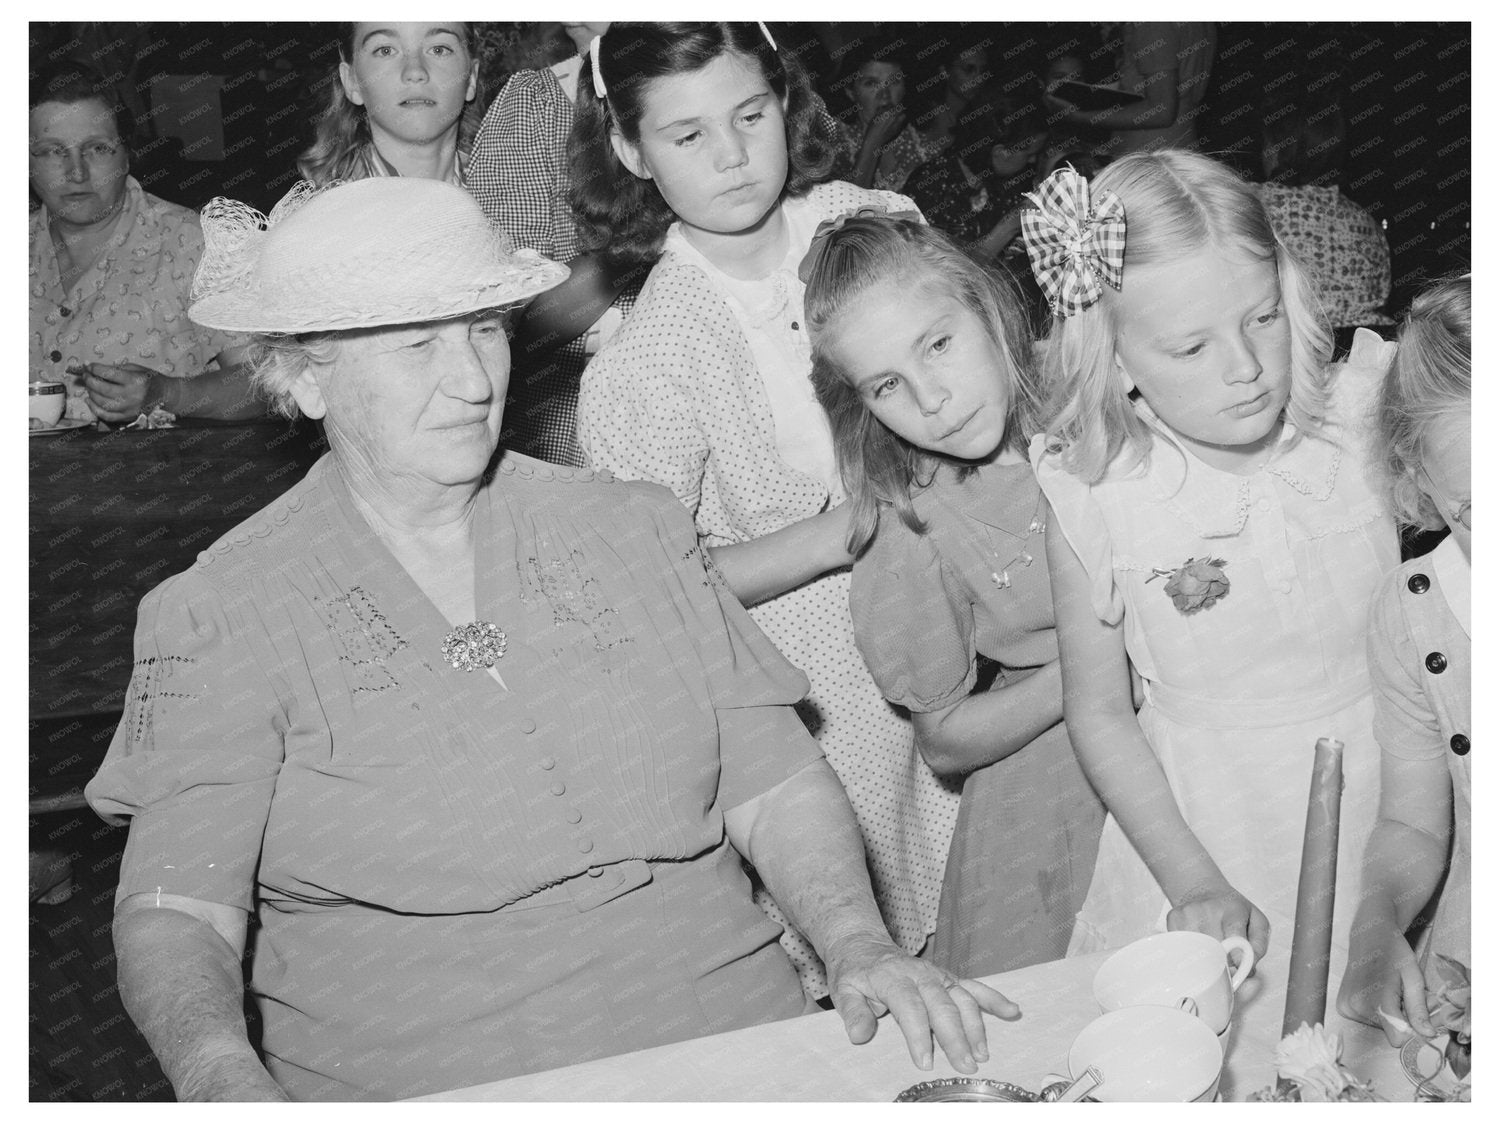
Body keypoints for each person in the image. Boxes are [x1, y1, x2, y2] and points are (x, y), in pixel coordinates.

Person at [84, 177, 1018, 1102]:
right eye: (419, 347)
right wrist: (220, 1078)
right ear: (303, 376)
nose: (473, 380)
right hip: (430, 1083)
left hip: (731, 1048)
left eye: (485, 329)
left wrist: (858, 941)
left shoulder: (634, 529)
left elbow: (773, 784)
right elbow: (180, 910)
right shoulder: (222, 609)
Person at [571, 23, 951, 998]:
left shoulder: (872, 225)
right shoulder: (646, 356)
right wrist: (833, 536)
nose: (734, 157)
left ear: (785, 103)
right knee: (866, 952)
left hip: (956, 619)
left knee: (997, 908)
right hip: (815, 687)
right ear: (629, 150)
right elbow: (655, 589)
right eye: (688, 136)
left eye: (750, 115)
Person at [1025, 153, 1399, 964]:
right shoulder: (1098, 496)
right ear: (1115, 357)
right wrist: (1193, 880)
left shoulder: (1365, 421)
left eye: (1260, 319)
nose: (1245, 369)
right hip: (1209, 840)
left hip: (1392, 816)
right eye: (1190, 349)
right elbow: (1099, 713)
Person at [804, 214, 1105, 977]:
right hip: (1055, 787)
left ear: (986, 305)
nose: (932, 399)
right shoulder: (913, 520)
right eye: (887, 385)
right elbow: (943, 739)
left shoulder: (1097, 384)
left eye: (938, 344)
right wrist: (1088, 673)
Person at [1336, 276, 1470, 1049]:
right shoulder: (1416, 613)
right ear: (1419, 482)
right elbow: (1414, 820)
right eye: (1476, 511)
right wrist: (1376, 922)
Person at [29, 66, 258, 425]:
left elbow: (267, 387)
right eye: (51, 151)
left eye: (98, 149)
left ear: (128, 155)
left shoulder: (195, 244)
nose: (76, 172)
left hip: (162, 475)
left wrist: (167, 394)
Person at [466, 20, 631, 466]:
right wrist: (635, 245)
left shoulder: (733, 64)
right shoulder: (535, 104)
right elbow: (507, 315)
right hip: (584, 430)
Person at [1254, 92, 1395, 354]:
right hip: (1365, 353)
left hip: (1300, 351)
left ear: (1274, 148)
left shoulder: (1253, 206)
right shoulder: (1363, 219)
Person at [296, 22, 481, 186]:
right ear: (351, 81)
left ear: (471, 78)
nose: (415, 72)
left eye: (439, 49)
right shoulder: (320, 220)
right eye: (386, 50)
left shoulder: (504, 204)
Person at [905, 95, 1048, 265]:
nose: (1033, 161)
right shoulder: (930, 184)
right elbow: (949, 274)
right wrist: (1008, 228)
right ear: (1001, 152)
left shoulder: (1007, 182)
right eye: (1029, 154)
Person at [1044, 23, 1216, 159]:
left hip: (1149, 157)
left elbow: (1161, 111)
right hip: (1179, 147)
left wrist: (1078, 116)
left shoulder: (1152, 24)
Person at [828, 37, 936, 193]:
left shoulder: (922, 145)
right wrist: (873, 143)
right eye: (871, 83)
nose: (884, 95)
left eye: (894, 82)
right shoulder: (831, 143)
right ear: (851, 92)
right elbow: (847, 210)